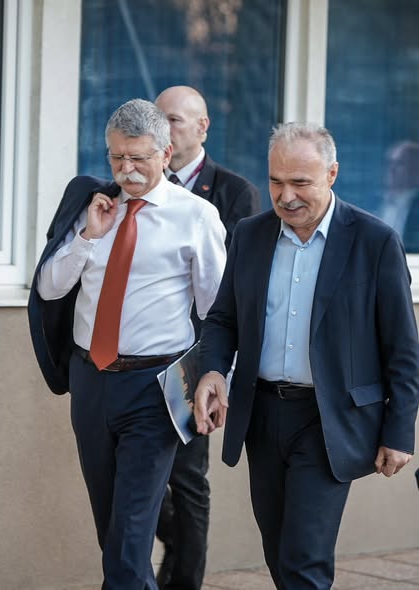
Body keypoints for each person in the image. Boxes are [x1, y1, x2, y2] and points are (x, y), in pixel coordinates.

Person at [193, 122, 419, 590]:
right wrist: (212, 369)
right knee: (278, 551)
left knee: (303, 558)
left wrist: (399, 431)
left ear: (331, 174)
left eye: (300, 182)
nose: (286, 196)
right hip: (261, 415)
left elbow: (402, 348)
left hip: (328, 420)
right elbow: (223, 320)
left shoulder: (375, 241)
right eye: (276, 181)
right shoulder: (249, 235)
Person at [28, 98, 226, 589]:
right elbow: (48, 289)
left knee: (130, 535)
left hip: (156, 389)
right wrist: (88, 238)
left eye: (138, 157)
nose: (127, 169)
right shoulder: (93, 206)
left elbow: (220, 311)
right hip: (90, 382)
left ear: (166, 153)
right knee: (112, 531)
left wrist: (217, 379)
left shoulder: (196, 217)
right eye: (117, 157)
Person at [153, 85, 260, 589]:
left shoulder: (234, 192)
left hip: (192, 358)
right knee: (136, 476)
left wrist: (220, 368)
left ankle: (185, 580)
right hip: (137, 353)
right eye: (157, 119)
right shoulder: (139, 184)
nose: (164, 129)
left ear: (202, 127)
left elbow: (228, 289)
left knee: (187, 479)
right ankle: (175, 545)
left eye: (174, 120)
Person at [377, 140, 419, 252]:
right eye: (390, 162)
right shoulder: (375, 202)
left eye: (400, 163)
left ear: (415, 169)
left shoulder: (416, 207)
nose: (392, 168)